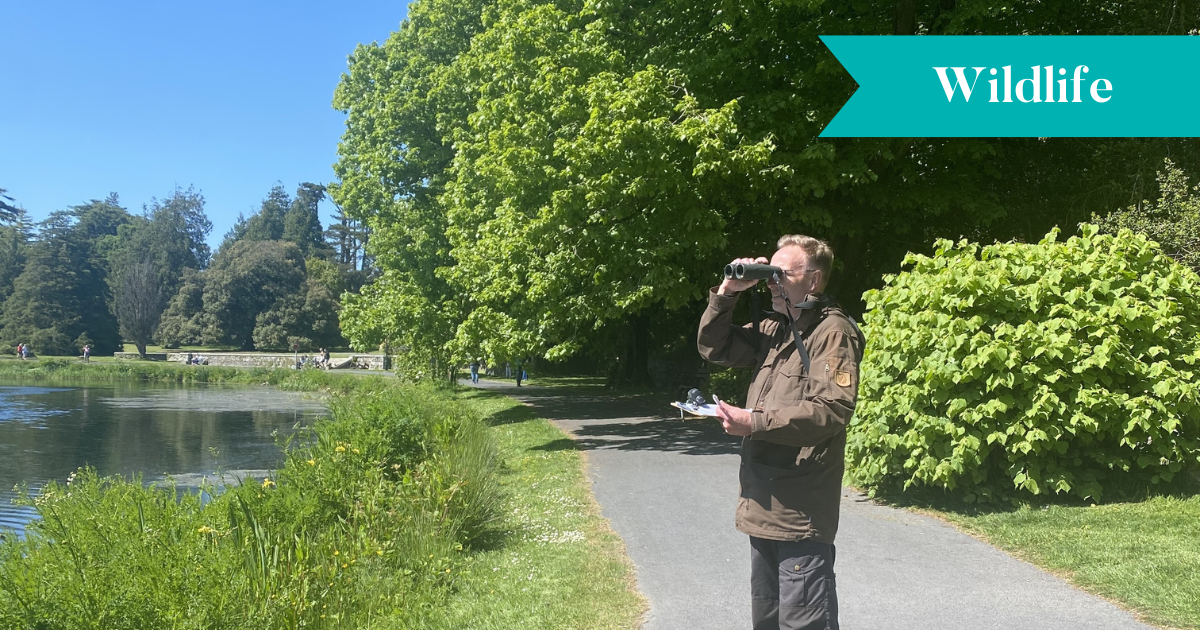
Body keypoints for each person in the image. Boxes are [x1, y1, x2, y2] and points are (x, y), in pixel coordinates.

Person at [697, 234, 865, 630]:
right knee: (768, 618)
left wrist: (753, 422)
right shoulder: (777, 327)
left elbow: (831, 410)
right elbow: (715, 348)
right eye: (769, 273)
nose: (773, 282)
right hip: (762, 500)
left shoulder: (832, 332)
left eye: (782, 274)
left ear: (814, 280)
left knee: (803, 622)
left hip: (800, 510)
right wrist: (728, 292)